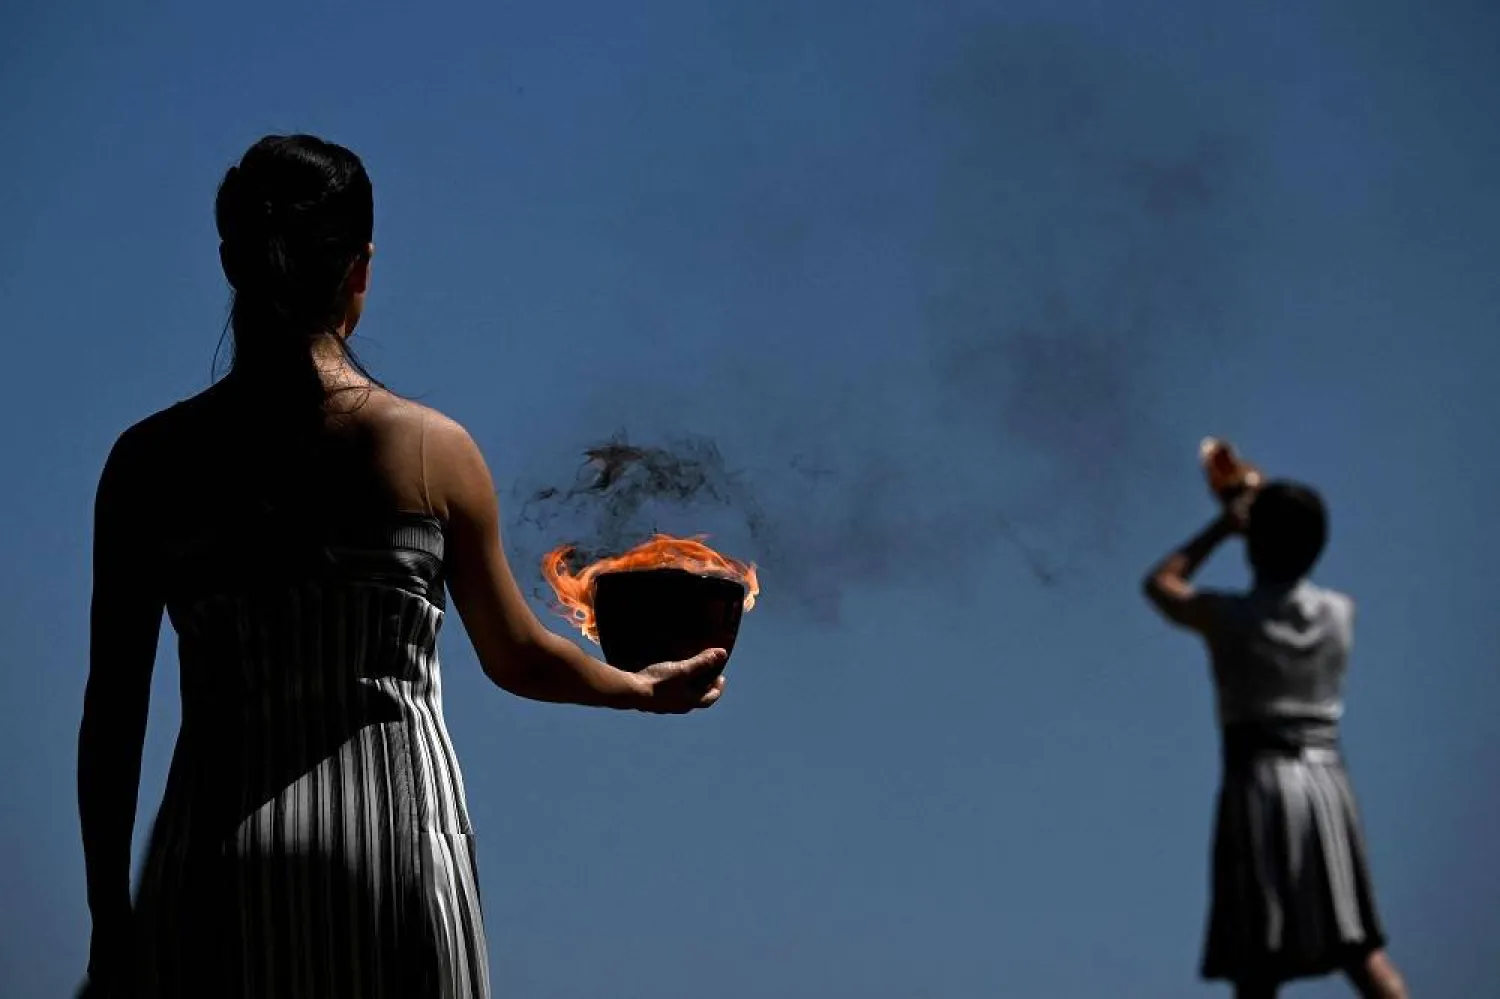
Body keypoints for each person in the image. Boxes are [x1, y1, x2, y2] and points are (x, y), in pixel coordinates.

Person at [76, 134, 729, 999]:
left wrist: (110, 920)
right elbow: (516, 655)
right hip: (393, 855)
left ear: (232, 261)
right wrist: (644, 689)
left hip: (218, 867)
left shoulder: (150, 464)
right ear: (361, 270)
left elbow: (114, 715)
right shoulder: (430, 451)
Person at [1141, 481, 1407, 998]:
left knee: (1256, 964)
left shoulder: (1231, 618)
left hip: (1259, 784)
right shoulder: (1341, 612)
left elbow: (1160, 584)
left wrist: (1222, 527)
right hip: (1328, 783)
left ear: (1255, 544)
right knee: (1358, 950)